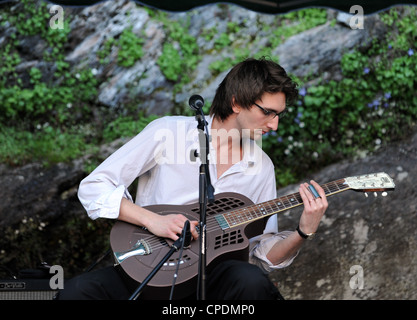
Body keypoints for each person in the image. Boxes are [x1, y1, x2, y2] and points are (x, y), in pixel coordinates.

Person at [56, 57, 328, 300]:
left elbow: (261, 255)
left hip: (213, 281)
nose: (274, 124)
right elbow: (94, 187)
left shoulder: (261, 167)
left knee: (251, 281)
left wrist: (303, 232)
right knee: (76, 293)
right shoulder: (168, 133)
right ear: (235, 102)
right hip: (151, 265)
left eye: (279, 114)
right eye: (267, 112)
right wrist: (154, 221)